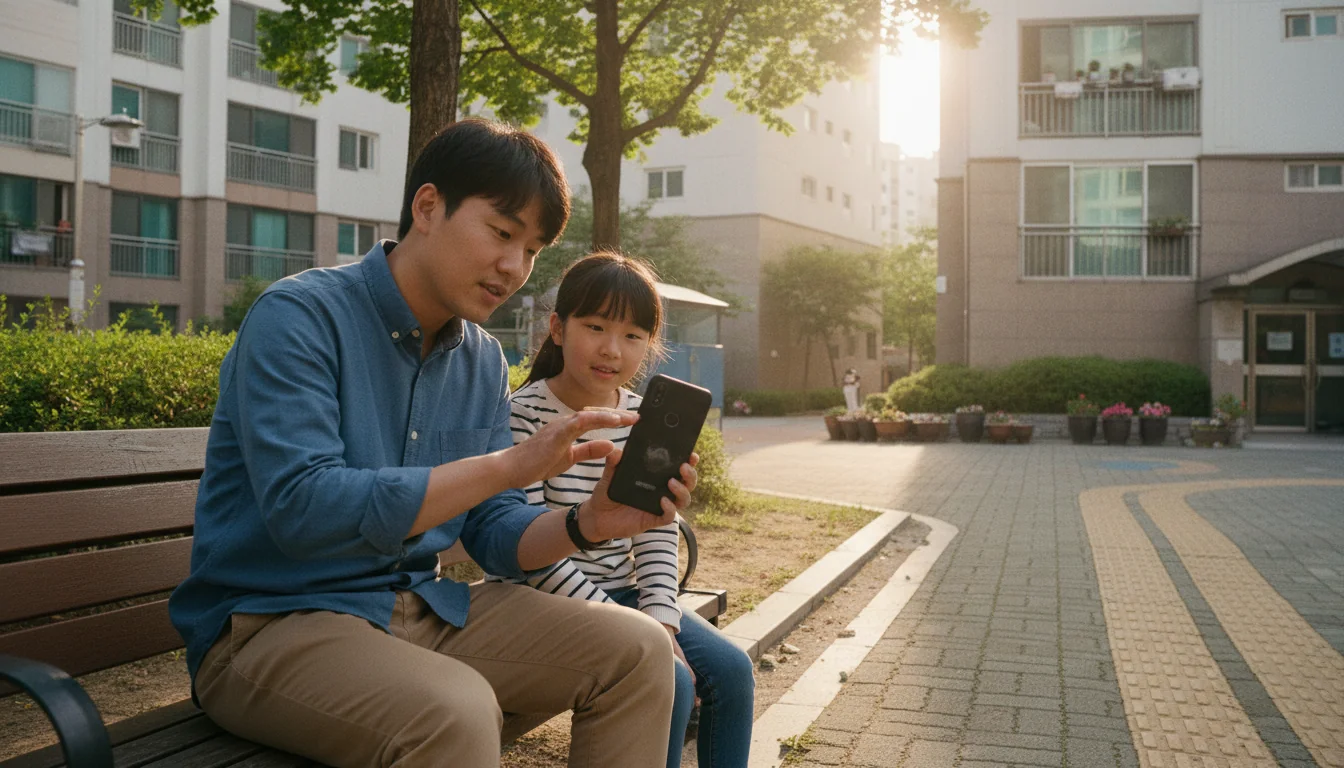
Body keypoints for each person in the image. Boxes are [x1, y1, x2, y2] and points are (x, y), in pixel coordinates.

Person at [167, 119, 700, 768]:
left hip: (421, 610)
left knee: (641, 650)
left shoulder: (480, 359)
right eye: (502, 232)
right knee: (457, 711)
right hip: (270, 624)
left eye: (532, 250)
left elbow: (495, 531)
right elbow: (304, 508)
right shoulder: (300, 317)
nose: (515, 267)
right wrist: (506, 466)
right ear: (427, 207)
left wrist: (588, 523)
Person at [491, 251, 754, 768]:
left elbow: (656, 529)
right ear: (558, 328)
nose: (612, 349)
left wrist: (661, 620)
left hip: (626, 593)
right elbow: (531, 554)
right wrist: (641, 632)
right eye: (595, 327)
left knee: (732, 672)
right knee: (669, 678)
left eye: (633, 335)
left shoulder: (642, 416)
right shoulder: (525, 417)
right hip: (544, 602)